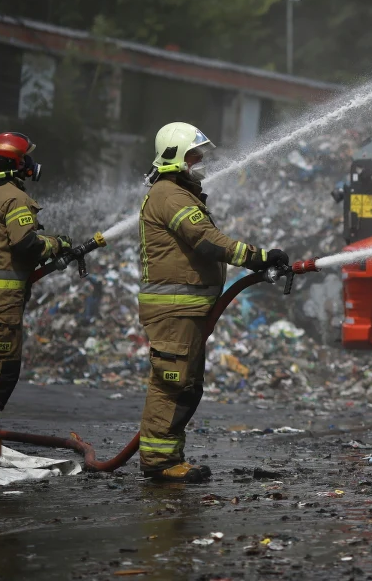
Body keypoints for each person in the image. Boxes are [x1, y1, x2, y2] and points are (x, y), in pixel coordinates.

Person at [137, 122, 287, 483]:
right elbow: (206, 240)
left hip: (185, 308)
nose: (200, 161)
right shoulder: (170, 195)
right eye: (194, 155)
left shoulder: (177, 193)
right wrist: (258, 256)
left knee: (186, 385)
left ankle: (167, 456)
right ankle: (159, 462)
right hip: (174, 309)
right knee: (173, 383)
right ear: (175, 157)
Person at [0, 132, 69, 428]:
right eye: (24, 159)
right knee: (3, 369)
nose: (29, 164)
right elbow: (25, 245)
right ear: (12, 163)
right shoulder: (15, 198)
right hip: (4, 302)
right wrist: (57, 244)